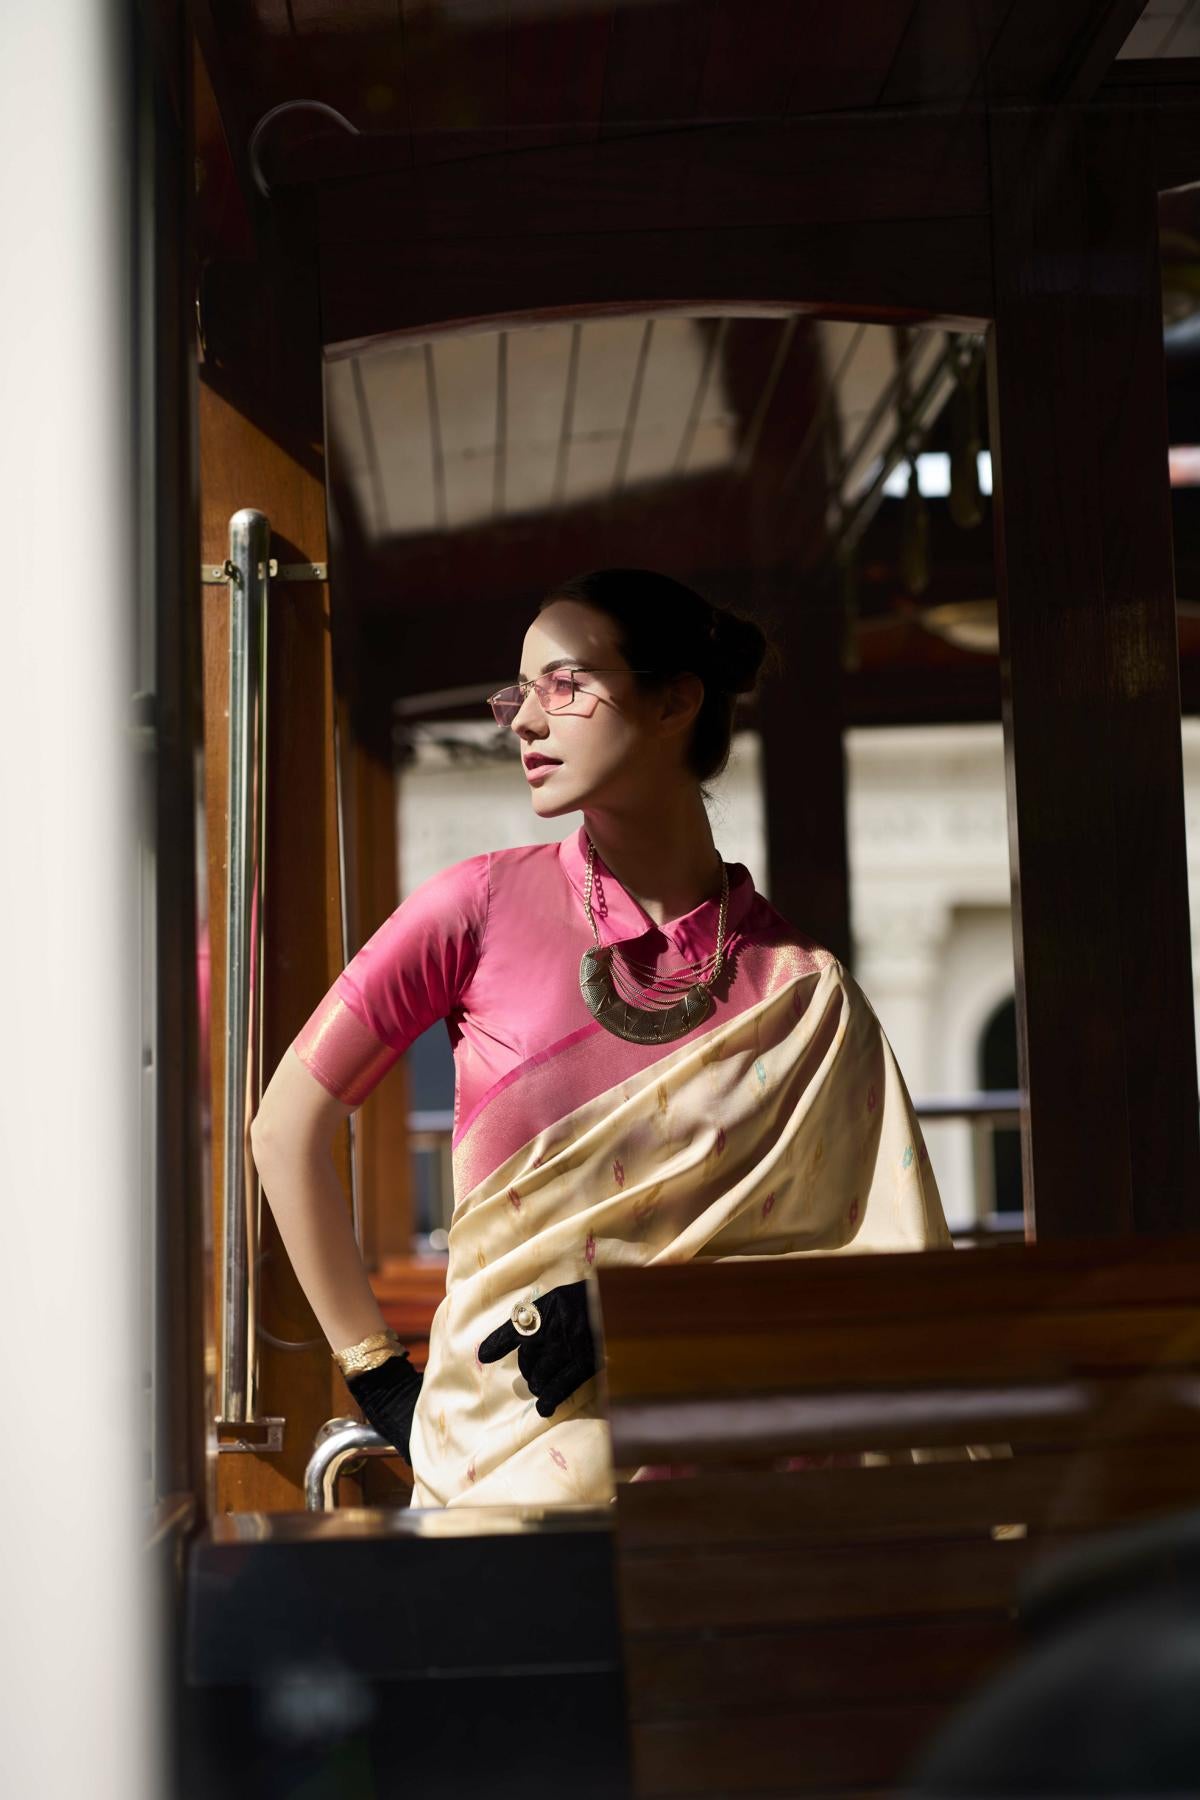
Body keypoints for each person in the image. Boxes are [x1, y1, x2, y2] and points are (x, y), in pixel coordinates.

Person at [250, 567, 951, 1510]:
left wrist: (635, 1318)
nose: (525, 722)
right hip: (496, 1471)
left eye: (565, 685)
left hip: (735, 1499)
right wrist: (380, 1380)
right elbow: (284, 1129)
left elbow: (884, 1284)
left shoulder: (803, 995)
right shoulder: (473, 909)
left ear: (673, 701)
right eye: (519, 694)